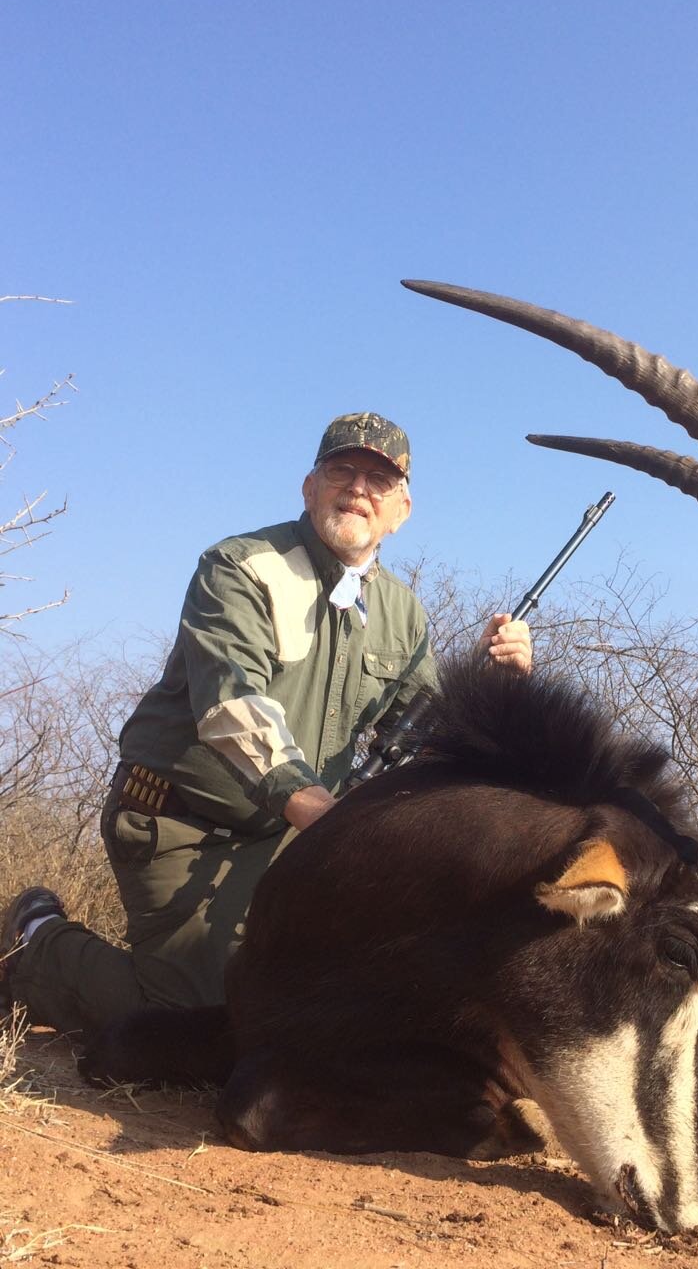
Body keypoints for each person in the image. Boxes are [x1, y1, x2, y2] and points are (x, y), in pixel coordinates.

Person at [0, 412, 531, 1036]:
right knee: (195, 1025)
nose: (358, 488)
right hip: (180, 823)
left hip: (292, 834)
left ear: (401, 509)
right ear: (310, 487)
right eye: (343, 470)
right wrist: (314, 809)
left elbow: (436, 737)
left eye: (379, 480)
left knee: (326, 991)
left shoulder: (401, 612)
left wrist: (503, 686)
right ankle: (36, 937)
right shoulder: (240, 567)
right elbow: (231, 703)